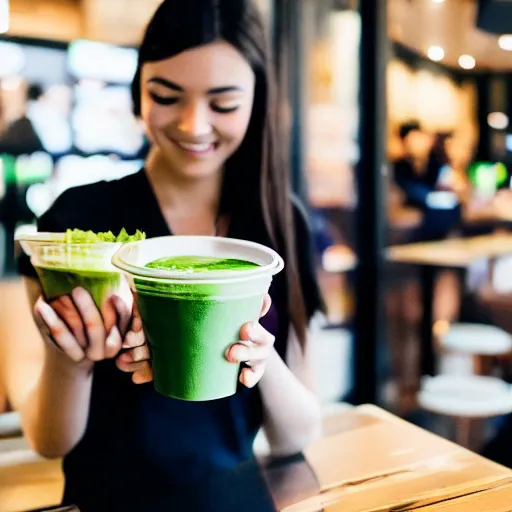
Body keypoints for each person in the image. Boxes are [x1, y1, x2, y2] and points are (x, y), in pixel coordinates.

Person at [12, 1, 323, 510]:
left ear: (258, 100)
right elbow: (49, 442)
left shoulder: (277, 224)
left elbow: (296, 436)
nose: (194, 125)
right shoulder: (77, 219)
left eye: (222, 103)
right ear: (139, 90)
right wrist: (69, 364)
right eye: (166, 95)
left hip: (232, 497)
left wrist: (259, 357)